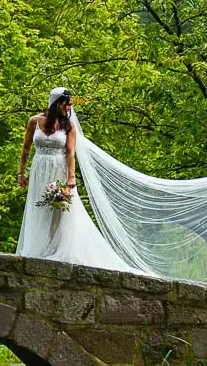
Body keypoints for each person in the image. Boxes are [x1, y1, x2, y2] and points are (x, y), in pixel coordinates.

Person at [15, 87, 135, 272]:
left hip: (58, 169)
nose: (69, 108)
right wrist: (21, 173)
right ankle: (40, 249)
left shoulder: (68, 126)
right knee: (38, 206)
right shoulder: (34, 121)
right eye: (67, 104)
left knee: (59, 209)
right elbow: (26, 147)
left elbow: (70, 153)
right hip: (39, 168)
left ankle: (56, 250)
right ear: (57, 103)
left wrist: (71, 177)